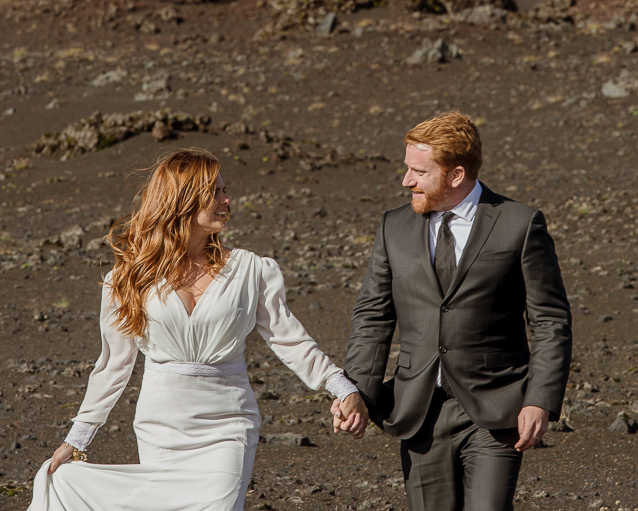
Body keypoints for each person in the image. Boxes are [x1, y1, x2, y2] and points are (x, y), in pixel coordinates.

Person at [28, 147, 367, 511]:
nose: (227, 199)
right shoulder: (128, 279)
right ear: (184, 199)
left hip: (229, 424)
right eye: (216, 191)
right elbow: (113, 365)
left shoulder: (251, 270)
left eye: (224, 189)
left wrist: (341, 387)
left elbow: (290, 339)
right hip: (161, 424)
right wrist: (77, 439)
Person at [339, 111, 572, 511]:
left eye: (419, 171)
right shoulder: (392, 227)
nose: (405, 180)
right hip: (418, 410)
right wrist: (356, 391)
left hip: (495, 410)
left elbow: (550, 320)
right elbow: (373, 317)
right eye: (407, 168)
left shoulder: (519, 224)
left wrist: (540, 400)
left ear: (456, 175)